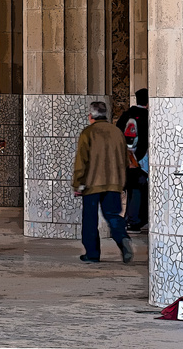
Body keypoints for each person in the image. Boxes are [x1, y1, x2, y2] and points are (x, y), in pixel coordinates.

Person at [72, 101, 133, 264]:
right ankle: (122, 238)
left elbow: (81, 162)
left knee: (90, 219)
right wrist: (122, 181)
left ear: (90, 116)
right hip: (114, 182)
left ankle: (92, 254)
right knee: (112, 214)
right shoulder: (117, 132)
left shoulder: (88, 133)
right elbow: (125, 159)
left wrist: (77, 183)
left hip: (92, 184)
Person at [116, 88, 149, 232]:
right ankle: (135, 220)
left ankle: (129, 220)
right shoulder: (147, 116)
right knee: (138, 190)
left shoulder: (126, 114)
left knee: (130, 190)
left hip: (125, 159)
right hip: (140, 161)